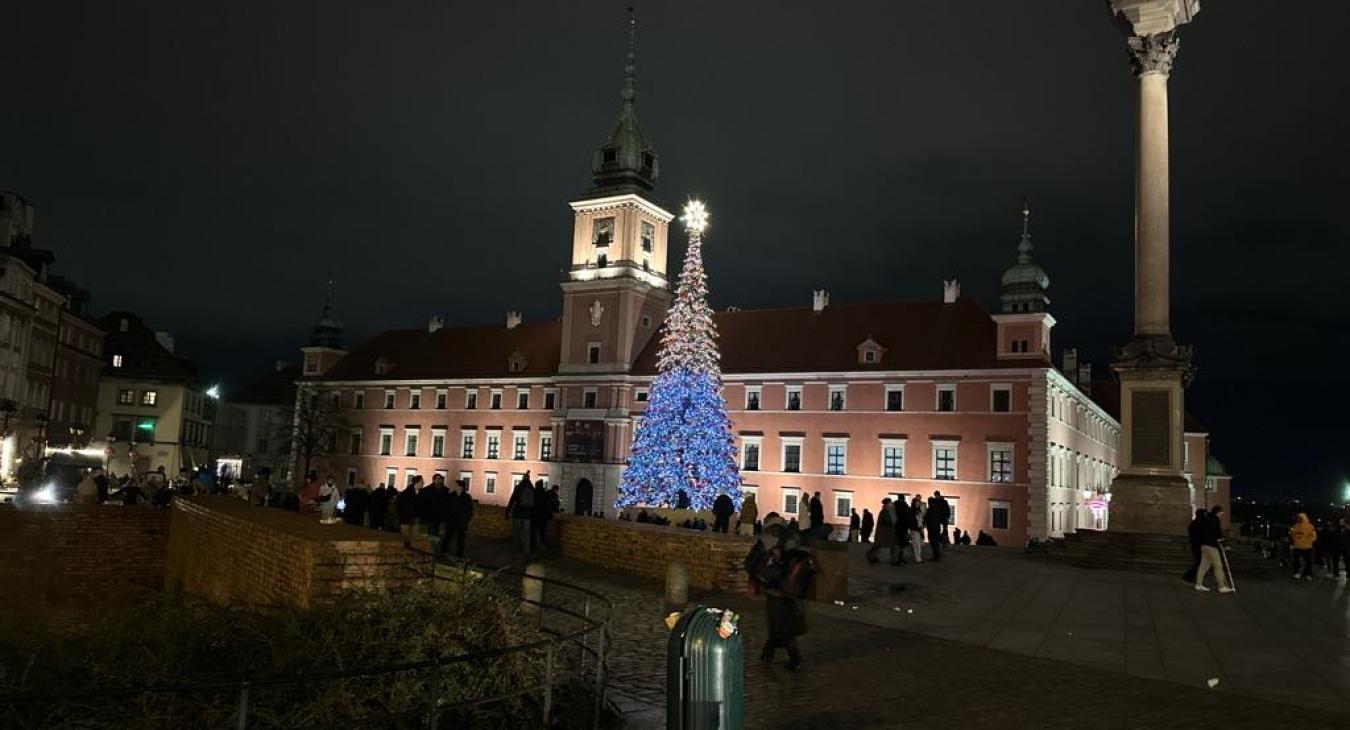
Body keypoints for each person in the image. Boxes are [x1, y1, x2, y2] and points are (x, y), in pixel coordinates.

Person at [745, 513, 812, 671]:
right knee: (784, 623)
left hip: (774, 587)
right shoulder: (792, 536)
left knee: (778, 624)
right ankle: (772, 654)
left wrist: (755, 578)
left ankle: (786, 658)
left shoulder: (768, 537)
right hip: (791, 589)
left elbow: (750, 562)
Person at [1194, 505, 1233, 593]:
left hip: (1204, 545)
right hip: (1211, 546)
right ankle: (1221, 586)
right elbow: (1217, 532)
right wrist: (1225, 544)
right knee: (1218, 566)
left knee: (1203, 566)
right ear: (1217, 512)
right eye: (1221, 513)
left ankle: (1199, 584)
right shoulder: (1215, 519)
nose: (1221, 514)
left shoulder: (1206, 519)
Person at [441, 479, 474, 558]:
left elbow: (470, 510)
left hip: (461, 522)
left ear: (460, 487)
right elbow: (447, 507)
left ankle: (459, 555)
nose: (454, 487)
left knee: (461, 540)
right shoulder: (451, 495)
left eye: (456, 485)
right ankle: (443, 552)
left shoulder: (467, 497)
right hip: (451, 521)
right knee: (447, 537)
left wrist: (466, 519)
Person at [505, 472, 536, 555]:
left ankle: (516, 549)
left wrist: (507, 511)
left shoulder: (518, 488)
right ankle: (526, 550)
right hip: (528, 515)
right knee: (526, 533)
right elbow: (535, 504)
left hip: (518, 514)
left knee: (517, 533)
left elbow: (512, 500)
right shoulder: (532, 489)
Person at [866, 498, 897, 564]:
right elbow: (887, 521)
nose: (891, 504)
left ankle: (873, 557)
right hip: (883, 532)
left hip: (884, 531)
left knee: (881, 545)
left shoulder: (885, 510)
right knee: (879, 545)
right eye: (890, 503)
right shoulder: (885, 511)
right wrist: (893, 521)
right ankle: (870, 556)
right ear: (887, 503)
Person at [1290, 512, 1317, 580]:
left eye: (1300, 518)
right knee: (1296, 561)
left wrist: (1308, 541)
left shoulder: (1309, 526)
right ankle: (1297, 573)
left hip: (1307, 547)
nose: (1298, 519)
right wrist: (1295, 541)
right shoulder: (1295, 526)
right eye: (1297, 518)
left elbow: (1314, 536)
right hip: (1297, 546)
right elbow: (1292, 534)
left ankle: (1308, 574)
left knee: (1308, 561)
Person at [1183, 508, 1207, 584]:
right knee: (1200, 563)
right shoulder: (1201, 523)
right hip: (1199, 546)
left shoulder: (1194, 523)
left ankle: (1190, 576)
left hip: (1196, 545)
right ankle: (1189, 576)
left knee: (1200, 563)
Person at [532, 479, 553, 548]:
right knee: (542, 530)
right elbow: (548, 505)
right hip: (543, 515)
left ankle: (533, 544)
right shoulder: (544, 493)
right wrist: (550, 515)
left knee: (533, 530)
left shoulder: (533, 492)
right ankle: (542, 544)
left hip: (534, 514)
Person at [892, 497, 913, 565]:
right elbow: (909, 517)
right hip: (904, 528)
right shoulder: (906, 506)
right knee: (902, 544)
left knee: (896, 544)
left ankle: (896, 559)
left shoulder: (895, 506)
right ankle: (900, 558)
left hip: (897, 528)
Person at [924, 494, 945, 562]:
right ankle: (937, 555)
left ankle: (935, 556)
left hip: (931, 529)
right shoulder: (937, 509)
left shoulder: (930, 510)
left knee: (933, 543)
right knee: (936, 542)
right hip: (937, 528)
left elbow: (927, 519)